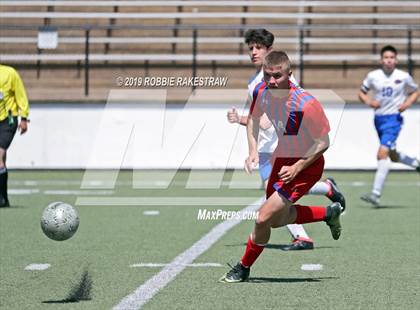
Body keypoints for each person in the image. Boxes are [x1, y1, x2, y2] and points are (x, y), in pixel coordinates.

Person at [219, 50, 343, 283]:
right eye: (268, 75)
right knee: (276, 220)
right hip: (281, 159)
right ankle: (328, 213)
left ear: (290, 74)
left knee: (262, 217)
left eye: (277, 76)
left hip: (307, 164)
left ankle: (243, 268)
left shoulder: (306, 104)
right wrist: (252, 150)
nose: (272, 81)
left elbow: (323, 143)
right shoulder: (261, 91)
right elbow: (254, 119)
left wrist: (297, 167)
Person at [359, 45, 419, 207]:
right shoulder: (373, 76)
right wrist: (369, 101)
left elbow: (415, 91)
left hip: (394, 120)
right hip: (378, 119)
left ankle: (375, 194)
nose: (389, 60)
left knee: (382, 154)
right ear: (381, 60)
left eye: (392, 57)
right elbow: (361, 92)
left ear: (396, 60)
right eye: (386, 57)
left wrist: (407, 104)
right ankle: (416, 164)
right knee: (392, 155)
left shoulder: (403, 76)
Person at [0, 64, 30, 207]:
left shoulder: (9, 73)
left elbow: (20, 94)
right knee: (2, 159)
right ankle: (4, 198)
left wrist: (24, 118)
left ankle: (1, 198)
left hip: (8, 120)